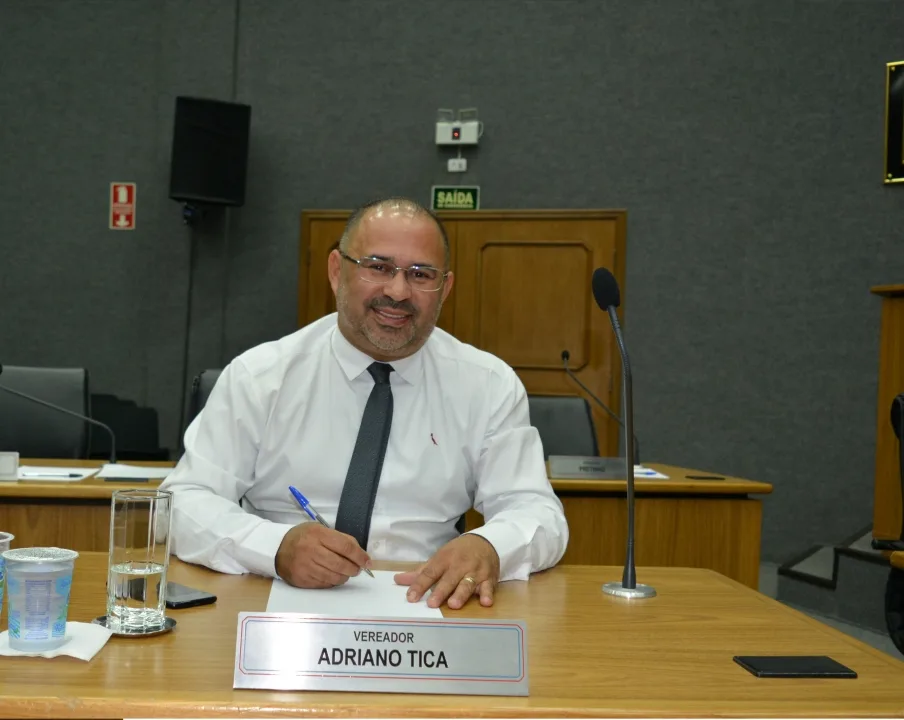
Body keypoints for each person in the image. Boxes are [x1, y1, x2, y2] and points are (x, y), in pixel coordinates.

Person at [160, 197, 568, 610]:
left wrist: (489, 546)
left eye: (421, 274)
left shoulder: (488, 385)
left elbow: (537, 511)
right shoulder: (261, 376)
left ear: (444, 289)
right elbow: (183, 503)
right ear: (337, 272)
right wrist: (274, 546)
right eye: (378, 267)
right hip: (275, 598)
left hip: (427, 603)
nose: (398, 291)